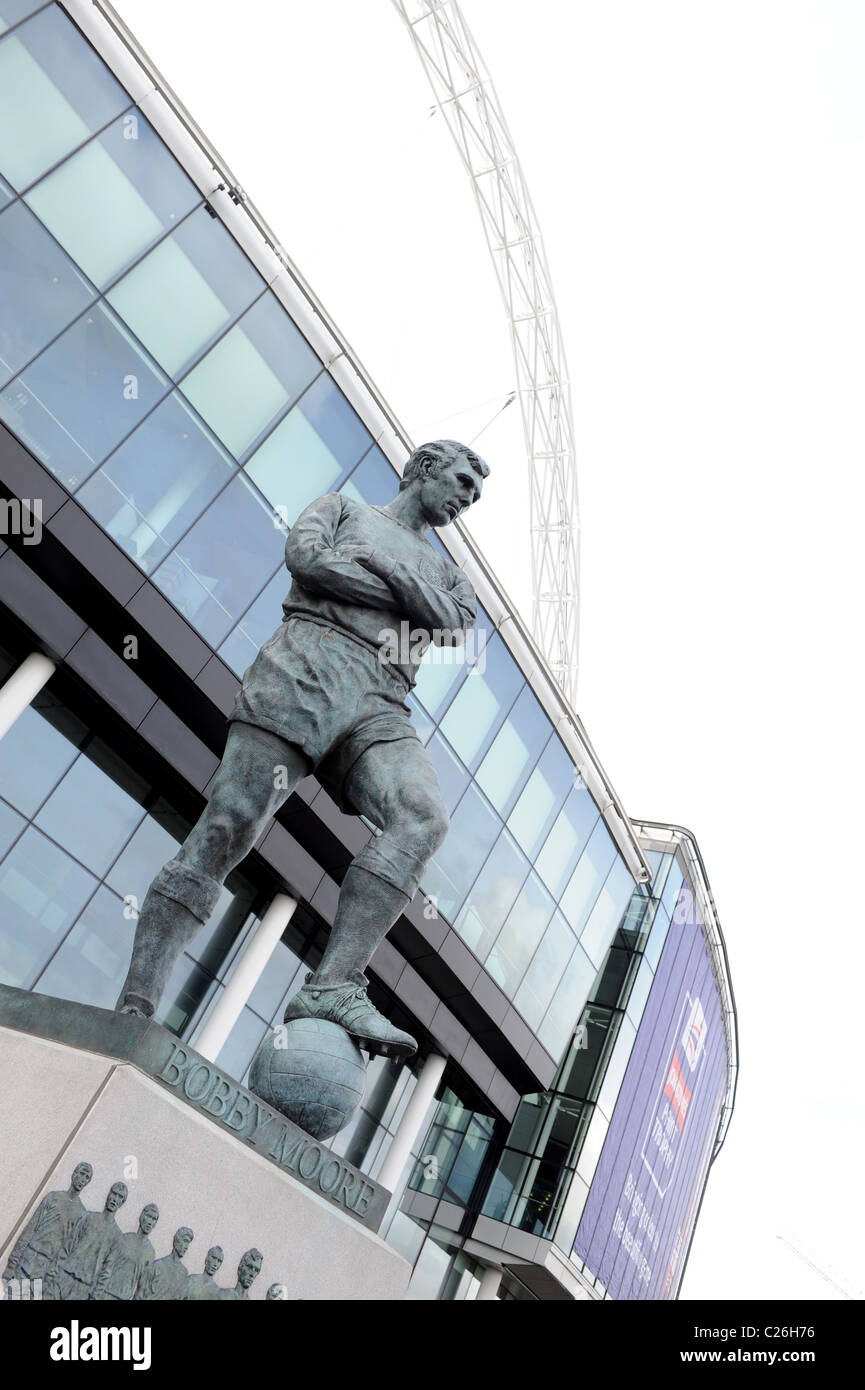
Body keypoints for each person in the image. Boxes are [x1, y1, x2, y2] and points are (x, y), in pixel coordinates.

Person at [116, 440, 488, 1059]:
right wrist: (403, 601)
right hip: (305, 666)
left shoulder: (450, 573)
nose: (466, 500)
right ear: (424, 469)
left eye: (475, 496)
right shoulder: (342, 508)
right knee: (229, 825)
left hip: (382, 699)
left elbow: (450, 625)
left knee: (423, 817)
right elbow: (308, 561)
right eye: (460, 482)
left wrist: (389, 572)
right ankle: (136, 1005)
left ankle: (333, 983)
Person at [3, 1161, 93, 1291]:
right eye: (81, 1174)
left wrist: (52, 1277)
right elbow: (31, 1228)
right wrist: (12, 1264)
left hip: (45, 1270)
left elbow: (68, 1250)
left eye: (87, 1177)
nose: (82, 1179)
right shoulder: (53, 1197)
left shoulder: (81, 1213)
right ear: (74, 1174)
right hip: (28, 1259)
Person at [46, 1180, 128, 1300]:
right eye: (114, 1194)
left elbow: (106, 1271)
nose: (115, 1199)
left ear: (122, 1203)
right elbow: (68, 1245)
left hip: (83, 1288)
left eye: (119, 1197)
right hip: (63, 1276)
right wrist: (52, 1273)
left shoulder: (117, 1236)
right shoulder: (88, 1218)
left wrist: (95, 1296)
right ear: (108, 1195)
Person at [99, 1203, 159, 1301]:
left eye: (154, 1219)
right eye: (148, 1216)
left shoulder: (150, 1253)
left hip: (124, 1297)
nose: (150, 1222)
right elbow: (107, 1267)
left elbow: (142, 1286)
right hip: (106, 1293)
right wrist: (97, 1294)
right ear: (141, 1217)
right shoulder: (124, 1239)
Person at [134, 1226, 194, 1300]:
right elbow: (140, 1294)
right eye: (185, 1241)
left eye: (188, 1243)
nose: (186, 1247)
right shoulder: (157, 1265)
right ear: (176, 1240)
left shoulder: (184, 1273)